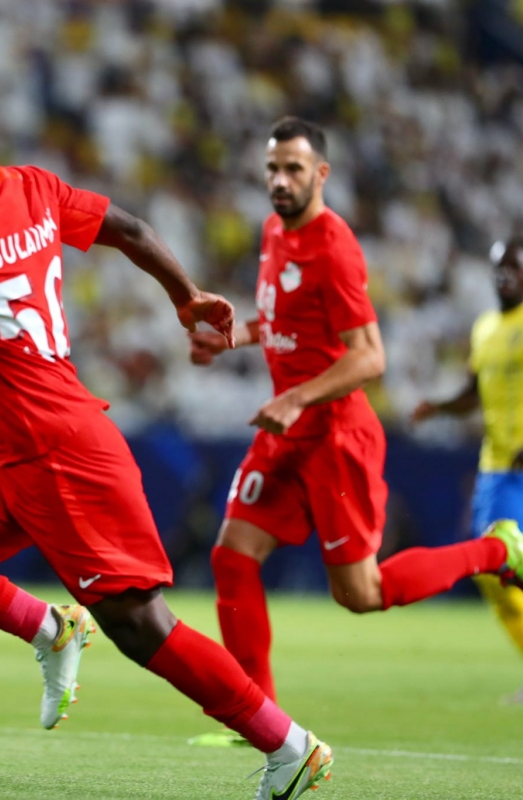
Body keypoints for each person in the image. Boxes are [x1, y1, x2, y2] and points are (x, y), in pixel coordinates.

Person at [0, 79, 333, 799]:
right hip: (19, 448)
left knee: (140, 625)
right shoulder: (35, 188)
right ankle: (50, 628)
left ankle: (290, 745)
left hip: (56, 451)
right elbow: (133, 229)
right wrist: (187, 297)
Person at [186, 117, 523, 741]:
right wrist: (233, 337)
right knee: (232, 554)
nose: (279, 180)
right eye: (272, 168)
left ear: (322, 174)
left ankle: (498, 550)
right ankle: (260, 718)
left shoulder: (334, 244)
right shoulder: (271, 232)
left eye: (293, 168)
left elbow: (370, 355)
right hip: (286, 429)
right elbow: (286, 321)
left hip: (337, 435)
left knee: (361, 592)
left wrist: (296, 399)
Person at [413, 235, 523, 703]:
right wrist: (438, 407)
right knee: (492, 571)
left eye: (513, 268)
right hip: (498, 468)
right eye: (499, 268)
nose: (504, 277)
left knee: (504, 562)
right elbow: (473, 391)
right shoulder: (484, 329)